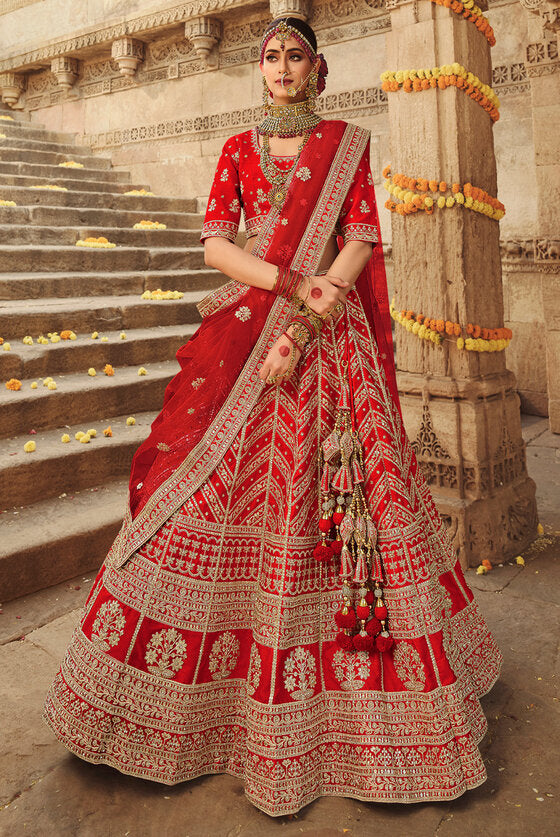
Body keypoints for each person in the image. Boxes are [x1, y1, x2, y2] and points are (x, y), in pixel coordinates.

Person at [43, 16, 503, 817]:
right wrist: (292, 286)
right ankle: (189, 710)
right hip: (252, 336)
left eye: (295, 55)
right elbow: (216, 246)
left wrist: (314, 313)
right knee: (201, 487)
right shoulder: (236, 150)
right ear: (260, 68)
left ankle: (379, 721)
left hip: (332, 344)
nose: (282, 66)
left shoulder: (347, 144)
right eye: (271, 56)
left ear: (317, 69)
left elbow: (361, 235)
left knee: (359, 505)